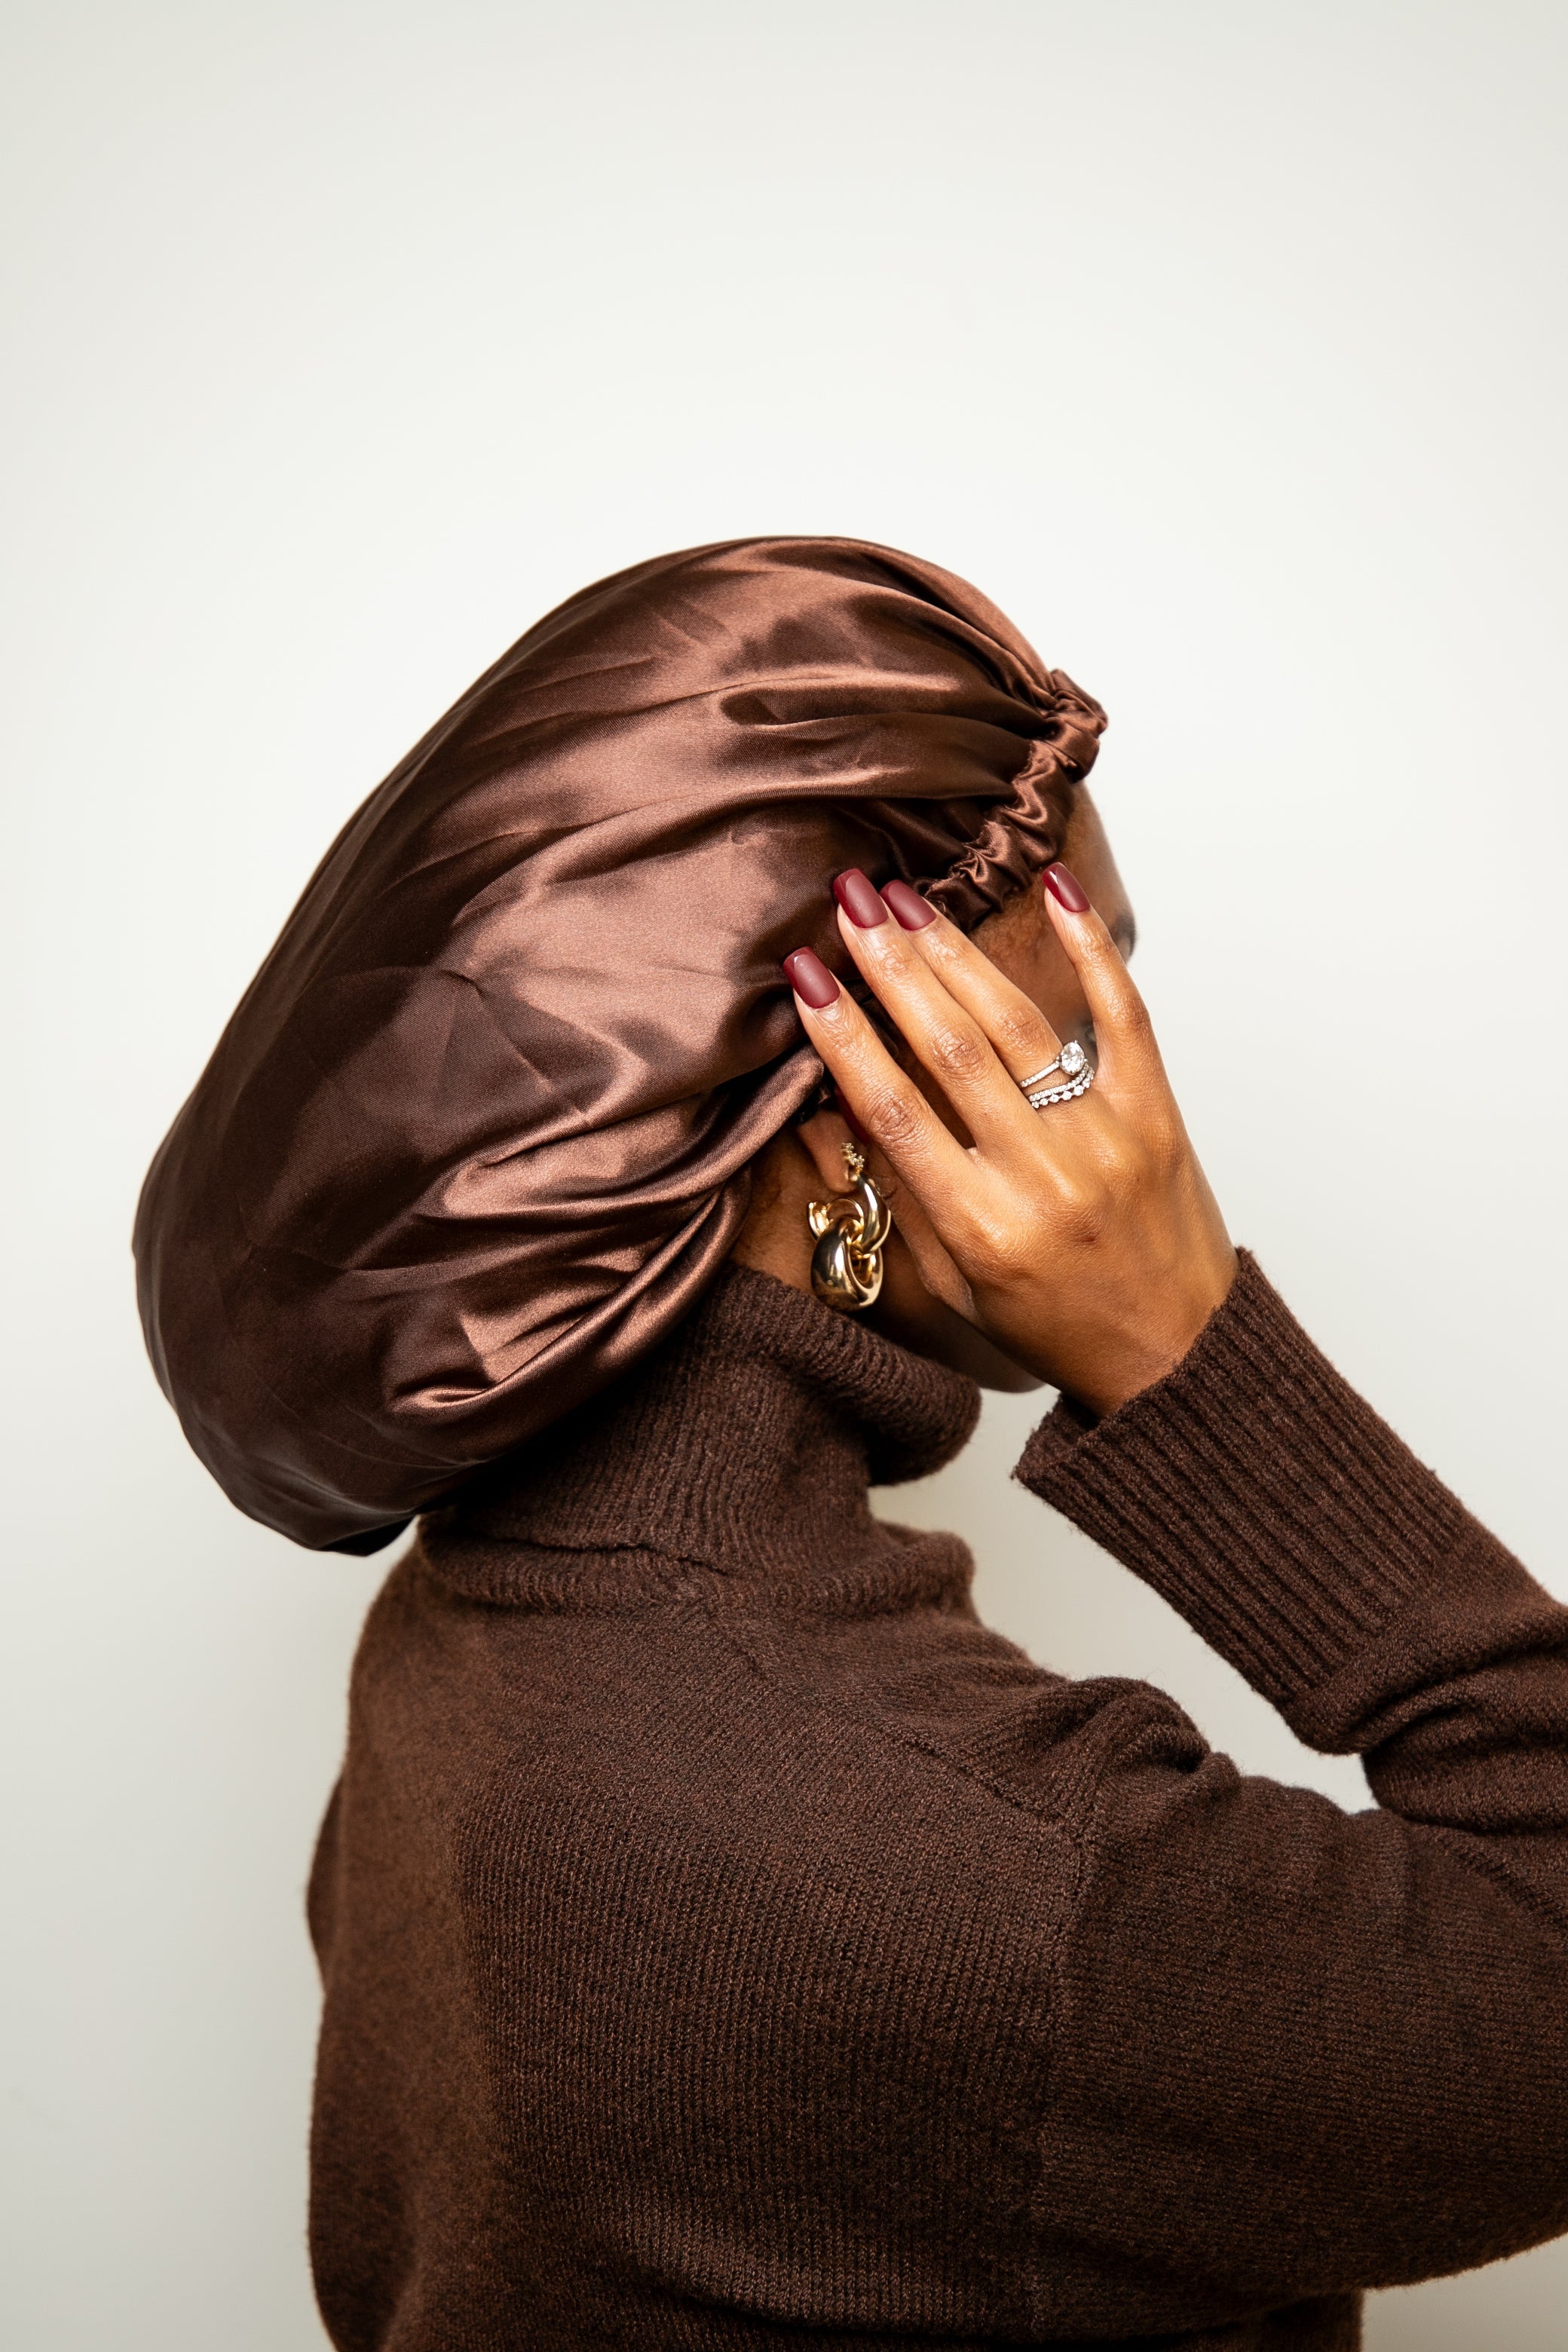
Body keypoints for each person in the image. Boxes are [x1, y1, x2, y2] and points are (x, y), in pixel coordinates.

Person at [136, 541, 1568, 2350]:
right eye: (1082, 1017)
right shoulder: (960, 1857)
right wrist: (1188, 1352)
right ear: (837, 1141)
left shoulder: (477, 1627)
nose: (1138, 1117)